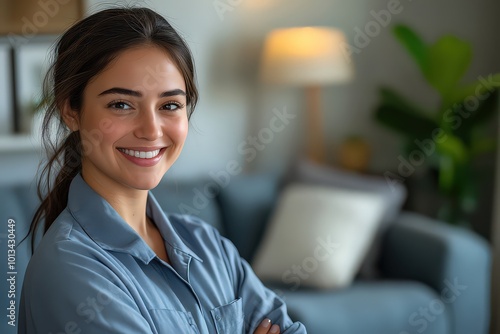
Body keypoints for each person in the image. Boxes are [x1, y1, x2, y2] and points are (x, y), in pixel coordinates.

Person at [18, 7, 306, 334]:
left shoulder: (207, 245)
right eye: (121, 105)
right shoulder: (70, 269)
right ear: (71, 110)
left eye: (169, 105)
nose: (151, 130)